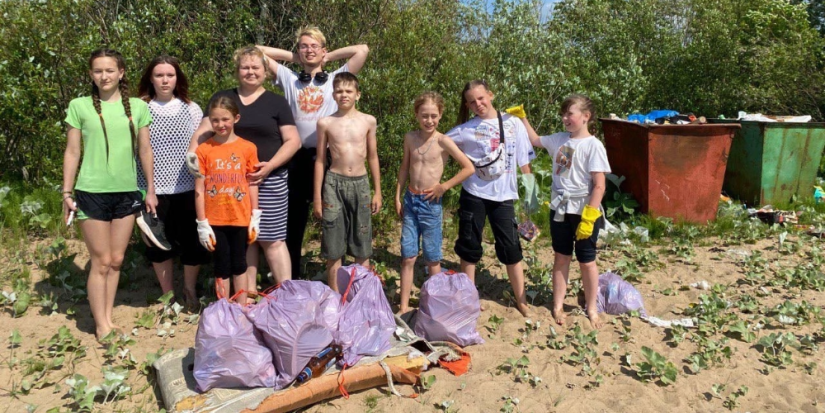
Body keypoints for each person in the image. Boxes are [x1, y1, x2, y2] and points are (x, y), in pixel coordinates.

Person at [257, 26, 369, 280]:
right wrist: (293, 57)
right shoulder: (289, 77)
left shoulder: (335, 79)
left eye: (314, 46)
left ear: (323, 50)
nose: (309, 51)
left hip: (329, 159)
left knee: (336, 219)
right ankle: (292, 278)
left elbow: (361, 50)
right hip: (295, 158)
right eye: (304, 46)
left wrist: (327, 58)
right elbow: (258, 52)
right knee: (293, 222)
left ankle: (342, 278)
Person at [62, 48, 157, 340]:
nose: (104, 76)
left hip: (127, 192)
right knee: (100, 259)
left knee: (116, 259)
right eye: (98, 71)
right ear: (91, 74)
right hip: (91, 192)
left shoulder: (138, 108)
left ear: (121, 73)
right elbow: (72, 151)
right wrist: (66, 191)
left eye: (109, 70)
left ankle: (108, 317)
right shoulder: (79, 106)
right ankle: (101, 324)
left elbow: (144, 150)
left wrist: (150, 189)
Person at [187, 46, 300, 287]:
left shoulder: (276, 102)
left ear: (265, 71)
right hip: (229, 184)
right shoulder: (224, 98)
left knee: (272, 239)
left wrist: (269, 167)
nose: (250, 72)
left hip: (270, 180)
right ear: (237, 71)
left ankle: (286, 294)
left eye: (255, 67)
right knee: (244, 239)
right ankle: (246, 299)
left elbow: (293, 141)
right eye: (245, 67)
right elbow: (203, 130)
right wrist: (191, 153)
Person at [519, 94, 610, 329]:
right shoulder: (559, 139)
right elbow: (536, 140)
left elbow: (599, 184)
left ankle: (591, 308)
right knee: (561, 257)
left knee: (587, 261)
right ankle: (558, 305)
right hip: (560, 208)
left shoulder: (593, 145)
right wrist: (522, 118)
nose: (565, 118)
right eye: (564, 113)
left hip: (584, 210)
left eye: (570, 113)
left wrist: (589, 217)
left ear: (585, 116)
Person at [447, 79, 535, 317]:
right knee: (469, 246)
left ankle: (521, 299)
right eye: (472, 102)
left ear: (491, 95)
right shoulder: (465, 129)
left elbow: (524, 161)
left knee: (511, 247)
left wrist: (531, 196)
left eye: (481, 98)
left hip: (504, 196)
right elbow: (440, 144)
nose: (478, 104)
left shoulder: (513, 123)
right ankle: (469, 298)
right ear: (467, 105)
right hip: (473, 194)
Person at [136, 55, 210, 309]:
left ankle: (189, 290)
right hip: (152, 189)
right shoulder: (140, 108)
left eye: (170, 75)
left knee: (192, 242)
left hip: (189, 187)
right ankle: (168, 296)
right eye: (159, 75)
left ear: (177, 78)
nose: (165, 80)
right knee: (158, 243)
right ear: (151, 79)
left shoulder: (192, 108)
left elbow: (202, 146)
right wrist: (147, 187)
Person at [395, 91, 474, 314]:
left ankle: (436, 307)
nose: (429, 120)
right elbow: (404, 167)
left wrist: (444, 186)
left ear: (440, 115)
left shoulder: (443, 141)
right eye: (424, 116)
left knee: (432, 258)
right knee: (408, 256)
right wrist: (397, 196)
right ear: (416, 115)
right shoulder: (410, 138)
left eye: (433, 116)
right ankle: (402, 307)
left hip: (431, 204)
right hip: (411, 200)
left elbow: (468, 167)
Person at [313, 73, 380, 293]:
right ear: (333, 95)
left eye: (349, 91)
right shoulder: (325, 122)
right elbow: (321, 160)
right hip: (334, 184)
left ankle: (363, 295)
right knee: (333, 244)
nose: (344, 95)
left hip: (360, 183)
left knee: (362, 241)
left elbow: (372, 156)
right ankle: (335, 297)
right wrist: (317, 198)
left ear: (357, 95)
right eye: (339, 91)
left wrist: (377, 191)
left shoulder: (368, 120)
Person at [194, 97, 260, 304]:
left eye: (225, 119)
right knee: (221, 265)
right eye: (215, 120)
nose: (220, 125)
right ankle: (224, 307)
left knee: (240, 263)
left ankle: (240, 308)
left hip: (240, 217)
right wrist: (202, 223)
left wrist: (255, 216)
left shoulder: (248, 148)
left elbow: (252, 184)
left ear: (236, 118)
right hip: (215, 219)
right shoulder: (204, 149)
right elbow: (199, 189)